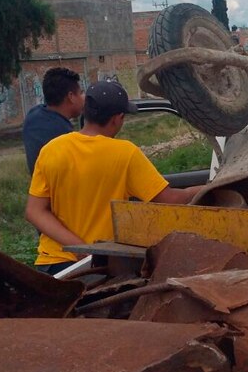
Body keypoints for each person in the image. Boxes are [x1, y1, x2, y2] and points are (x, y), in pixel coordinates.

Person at [25, 80, 203, 275]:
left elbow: (35, 212)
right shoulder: (125, 153)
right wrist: (209, 186)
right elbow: (171, 200)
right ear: (117, 119)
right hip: (95, 269)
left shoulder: (52, 149)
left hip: (52, 267)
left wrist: (78, 247)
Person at [22, 67, 84, 175]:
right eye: (80, 93)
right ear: (71, 97)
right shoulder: (64, 135)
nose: (83, 98)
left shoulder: (33, 116)